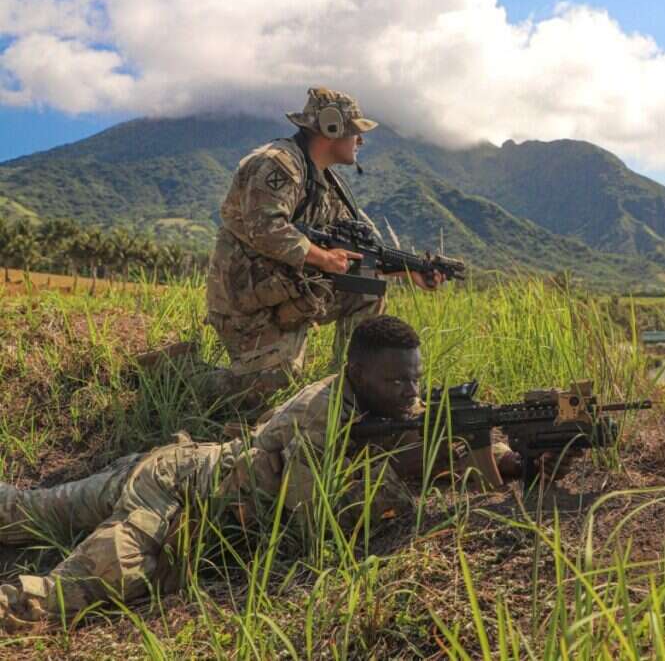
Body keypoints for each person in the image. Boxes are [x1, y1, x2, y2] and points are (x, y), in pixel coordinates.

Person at [0, 316, 514, 630]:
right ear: (357, 373)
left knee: (26, 509)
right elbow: (316, 520)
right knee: (95, 576)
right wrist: (402, 477)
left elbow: (431, 437)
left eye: (416, 378)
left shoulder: (390, 404)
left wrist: (508, 457)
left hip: (181, 473)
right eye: (398, 381)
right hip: (177, 492)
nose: (411, 392)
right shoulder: (320, 413)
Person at [205, 87, 443, 406]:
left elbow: (360, 250)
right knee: (272, 389)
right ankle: (179, 370)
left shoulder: (327, 184)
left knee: (368, 287)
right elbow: (264, 228)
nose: (360, 141)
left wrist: (409, 271)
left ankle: (351, 390)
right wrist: (324, 258)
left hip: (288, 295)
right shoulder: (277, 164)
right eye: (355, 132)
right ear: (332, 128)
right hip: (246, 302)